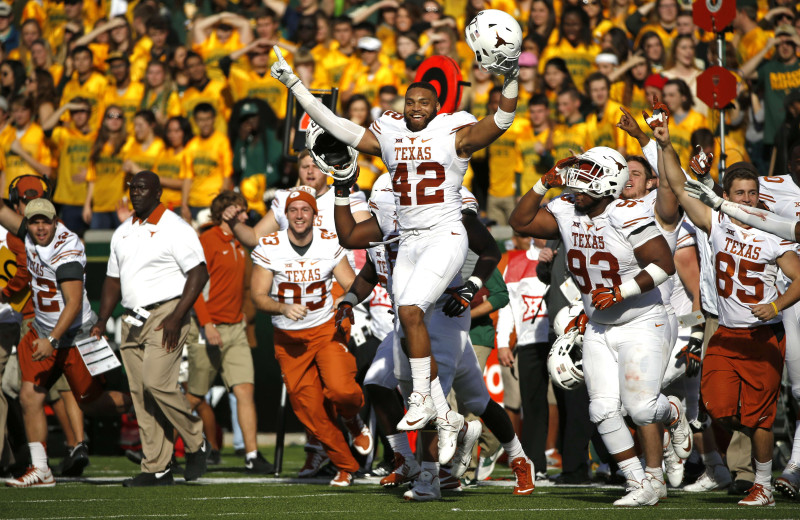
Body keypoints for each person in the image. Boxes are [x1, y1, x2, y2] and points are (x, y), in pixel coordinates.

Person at [268, 11, 520, 445]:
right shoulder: (389, 132)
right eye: (410, 102)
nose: (416, 108)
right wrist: (295, 87)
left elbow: (501, 120)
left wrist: (510, 77)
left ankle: (424, 398)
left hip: (445, 234)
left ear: (436, 106)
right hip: (409, 240)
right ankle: (432, 408)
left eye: (424, 102)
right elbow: (338, 126)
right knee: (406, 326)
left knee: (408, 312)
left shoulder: (452, 130)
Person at [509, 147, 691, 506]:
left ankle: (670, 411)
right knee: (602, 409)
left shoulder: (628, 212)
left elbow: (663, 264)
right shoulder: (564, 207)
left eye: (589, 173)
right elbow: (520, 221)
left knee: (640, 409)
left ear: (610, 181)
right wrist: (542, 182)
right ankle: (640, 483)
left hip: (642, 320)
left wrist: (620, 291)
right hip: (598, 324)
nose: (578, 180)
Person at [658, 123, 800, 507]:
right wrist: (665, 143)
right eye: (740, 193)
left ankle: (764, 485)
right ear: (725, 196)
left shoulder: (774, 233)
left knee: (760, 418)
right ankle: (757, 448)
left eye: (753, 193)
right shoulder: (716, 222)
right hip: (725, 335)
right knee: (718, 408)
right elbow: (678, 184)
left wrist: (775, 305)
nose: (749, 199)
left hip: (762, 335)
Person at [0, 197, 131, 488]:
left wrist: (52, 339)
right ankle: (41, 469)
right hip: (44, 329)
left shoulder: (66, 249)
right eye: (34, 221)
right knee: (29, 397)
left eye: (46, 221)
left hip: (73, 336)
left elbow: (72, 304)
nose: (40, 227)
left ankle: (144, 405)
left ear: (56, 221)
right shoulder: (29, 233)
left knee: (94, 404)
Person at [92, 171, 210, 487]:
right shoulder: (122, 232)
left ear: (158, 192)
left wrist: (178, 316)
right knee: (141, 394)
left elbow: (199, 273)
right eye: (132, 188)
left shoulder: (175, 227)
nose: (135, 193)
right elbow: (112, 280)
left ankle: (197, 439)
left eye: (143, 188)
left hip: (167, 311)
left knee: (157, 382)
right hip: (131, 318)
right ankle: (157, 467)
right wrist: (102, 320)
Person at [250, 189, 365, 487]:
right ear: (285, 215)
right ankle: (345, 465)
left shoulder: (328, 242)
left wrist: (348, 300)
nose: (299, 215)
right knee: (310, 412)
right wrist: (282, 307)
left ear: (315, 215)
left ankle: (353, 418)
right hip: (289, 342)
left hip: (325, 331)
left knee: (342, 391)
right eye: (294, 210)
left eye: (305, 210)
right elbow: (258, 296)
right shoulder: (270, 246)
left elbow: (351, 283)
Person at [187, 191, 274, 474]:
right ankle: (154, 445)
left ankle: (251, 454)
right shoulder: (207, 240)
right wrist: (208, 324)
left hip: (235, 328)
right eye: (241, 212)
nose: (247, 216)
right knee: (194, 397)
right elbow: (194, 288)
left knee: (244, 390)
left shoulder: (241, 242)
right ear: (226, 213)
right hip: (207, 328)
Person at [180, 103, 233, 220]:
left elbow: (227, 175)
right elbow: (188, 178)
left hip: (213, 203)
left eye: (208, 119)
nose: (205, 124)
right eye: (201, 120)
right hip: (193, 203)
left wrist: (221, 204)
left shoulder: (222, 142)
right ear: (195, 121)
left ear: (214, 119)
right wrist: (184, 205)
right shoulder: (191, 145)